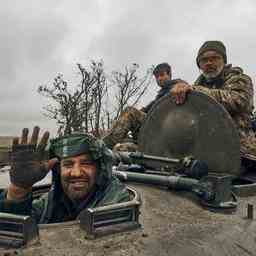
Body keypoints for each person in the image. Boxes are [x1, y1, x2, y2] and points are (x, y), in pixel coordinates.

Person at [0, 126, 130, 223]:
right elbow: (14, 227)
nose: (76, 173)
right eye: (68, 164)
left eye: (86, 163)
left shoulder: (115, 201)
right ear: (58, 170)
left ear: (99, 170)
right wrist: (19, 189)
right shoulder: (51, 200)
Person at [170, 40, 256, 170]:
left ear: (224, 61)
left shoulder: (240, 79)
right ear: (199, 65)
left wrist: (195, 91)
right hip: (201, 148)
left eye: (215, 58)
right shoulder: (194, 88)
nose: (209, 63)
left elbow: (238, 101)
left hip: (239, 150)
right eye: (204, 60)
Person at [103, 63, 184, 151]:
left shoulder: (178, 87)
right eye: (157, 77)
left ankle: (103, 145)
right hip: (154, 133)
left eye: (162, 75)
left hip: (165, 128)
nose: (159, 79)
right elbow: (148, 109)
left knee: (130, 112)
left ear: (169, 75)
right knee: (122, 147)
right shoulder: (161, 94)